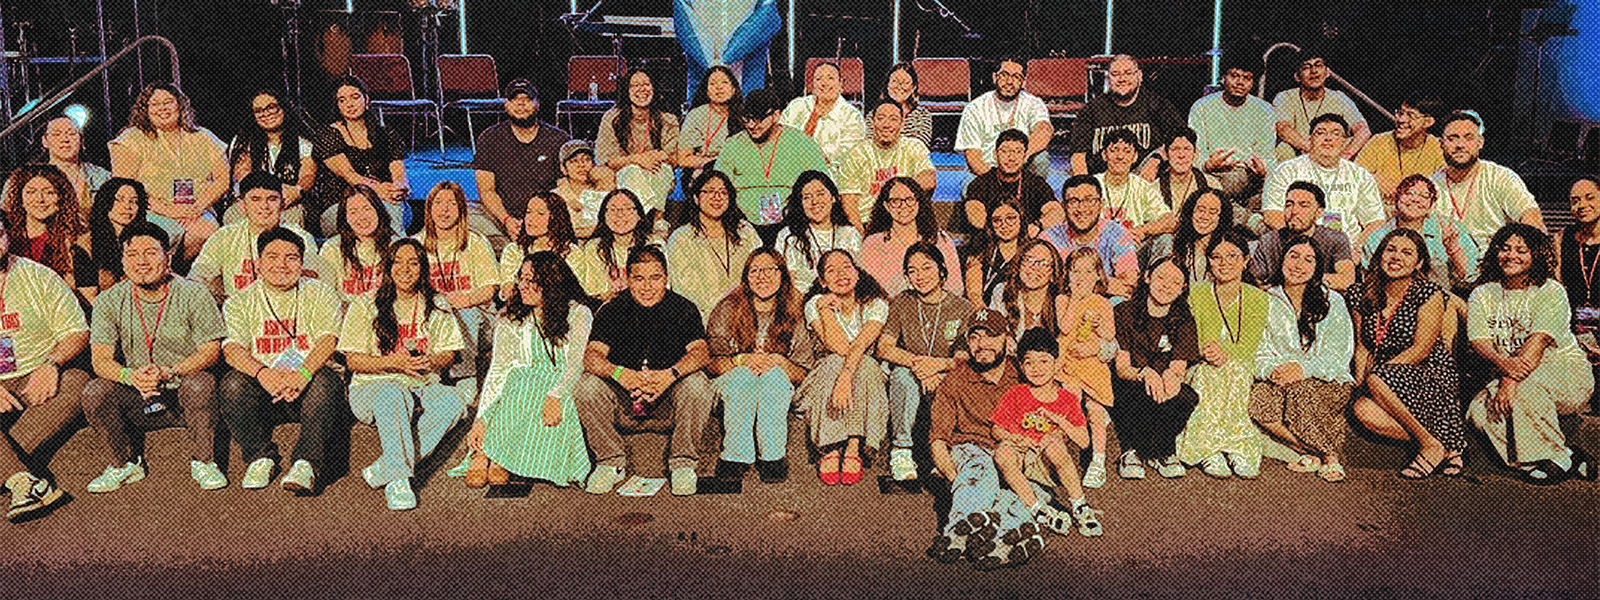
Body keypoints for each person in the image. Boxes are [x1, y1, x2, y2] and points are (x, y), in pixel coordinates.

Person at [81, 221, 226, 493]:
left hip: (182, 392)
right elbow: (100, 359)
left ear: (167, 257)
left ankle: (205, 461)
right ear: (122, 261)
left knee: (200, 383)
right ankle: (124, 464)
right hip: (138, 393)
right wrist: (129, 376)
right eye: (132, 254)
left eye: (150, 253)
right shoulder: (108, 300)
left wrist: (169, 371)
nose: (141, 261)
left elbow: (211, 350)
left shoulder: (194, 293)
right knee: (95, 391)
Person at [339, 238, 467, 510]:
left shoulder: (437, 304)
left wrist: (430, 360)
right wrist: (393, 363)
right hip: (373, 387)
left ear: (423, 267)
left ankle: (387, 465)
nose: (405, 269)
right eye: (397, 261)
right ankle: (398, 479)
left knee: (454, 401)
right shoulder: (365, 304)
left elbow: (450, 354)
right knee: (392, 392)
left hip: (421, 384)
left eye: (413, 262)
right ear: (387, 266)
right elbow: (353, 361)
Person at [577, 245, 714, 497]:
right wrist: (621, 374)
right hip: (624, 402)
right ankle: (610, 461)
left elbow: (701, 352)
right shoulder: (611, 310)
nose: (647, 286)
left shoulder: (684, 308)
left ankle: (683, 463)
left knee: (698, 384)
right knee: (588, 385)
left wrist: (669, 375)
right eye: (639, 278)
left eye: (655, 278)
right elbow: (592, 357)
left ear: (666, 278)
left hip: (667, 402)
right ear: (627, 278)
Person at [217, 227, 345, 494]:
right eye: (272, 257)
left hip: (308, 389)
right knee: (231, 384)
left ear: (301, 262)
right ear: (258, 263)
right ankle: (259, 457)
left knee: (326, 382)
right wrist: (264, 374)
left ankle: (306, 464)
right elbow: (232, 350)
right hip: (265, 392)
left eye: (291, 257)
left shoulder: (320, 292)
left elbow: (328, 340)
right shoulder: (240, 301)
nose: (282, 265)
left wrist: (303, 374)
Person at [1466, 224, 1597, 483]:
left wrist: (1509, 380)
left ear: (1535, 254)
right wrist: (1503, 365)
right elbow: (1480, 341)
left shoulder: (1550, 290)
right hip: (1514, 370)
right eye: (1504, 248)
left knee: (1525, 389)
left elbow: (1537, 344)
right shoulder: (1482, 293)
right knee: (1478, 411)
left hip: (1565, 373)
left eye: (1521, 250)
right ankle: (1563, 456)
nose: (1511, 255)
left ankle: (1555, 456)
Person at [924, 309, 1049, 570]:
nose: (982, 344)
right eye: (975, 337)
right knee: (980, 472)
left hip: (1014, 458)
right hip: (973, 451)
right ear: (967, 342)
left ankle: (999, 542)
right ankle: (960, 529)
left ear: (1006, 338)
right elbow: (938, 440)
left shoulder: (1025, 372)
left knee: (1027, 494)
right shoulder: (955, 381)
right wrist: (953, 478)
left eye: (991, 335)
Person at [468, 251, 598, 488]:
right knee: (519, 379)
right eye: (521, 278)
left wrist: (556, 395)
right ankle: (486, 452)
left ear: (551, 282)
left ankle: (501, 455)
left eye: (532, 280)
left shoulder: (578, 313)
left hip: (563, 383)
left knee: (528, 384)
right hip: (521, 385)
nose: (523, 286)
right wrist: (480, 419)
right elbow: (499, 370)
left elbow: (576, 363)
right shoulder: (511, 317)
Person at [1350, 229, 1464, 480]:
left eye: (1406, 252)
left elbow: (1421, 350)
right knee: (1362, 410)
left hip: (1427, 373)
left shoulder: (1428, 294)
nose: (1396, 257)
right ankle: (1445, 443)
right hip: (1383, 379)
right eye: (1390, 250)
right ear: (1380, 255)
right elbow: (1363, 347)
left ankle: (1429, 446)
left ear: (1419, 262)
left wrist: (1379, 377)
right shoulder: (1360, 294)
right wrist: (1361, 385)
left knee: (1378, 379)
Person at [0, 218, 91, 522]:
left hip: (34, 377)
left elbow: (77, 331)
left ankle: (10, 467)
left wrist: (51, 363)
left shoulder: (37, 275)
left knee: (78, 382)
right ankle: (23, 481)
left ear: (7, 237)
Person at [1250, 235, 1356, 483]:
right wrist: (1272, 371)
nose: (1298, 265)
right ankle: (1310, 449)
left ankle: (1330, 457)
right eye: (1293, 256)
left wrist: (1302, 369)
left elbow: (1338, 355)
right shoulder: (1267, 300)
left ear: (1317, 268)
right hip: (1282, 377)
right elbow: (1259, 351)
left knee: (1302, 391)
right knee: (1258, 399)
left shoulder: (1333, 301)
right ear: (1282, 260)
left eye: (1308, 260)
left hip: (1326, 380)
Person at [705, 249, 809, 483]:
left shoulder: (795, 311)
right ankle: (735, 455)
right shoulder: (727, 309)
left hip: (778, 388)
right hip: (732, 386)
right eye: (755, 271)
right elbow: (710, 363)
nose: (762, 276)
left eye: (770, 269)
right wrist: (740, 361)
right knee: (744, 376)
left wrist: (781, 363)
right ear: (746, 278)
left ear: (782, 274)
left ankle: (773, 456)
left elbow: (804, 371)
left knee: (772, 376)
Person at [990, 328, 1102, 538]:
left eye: (1043, 361)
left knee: (1054, 445)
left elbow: (1084, 441)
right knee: (1002, 452)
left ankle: (1079, 506)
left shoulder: (1067, 398)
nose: (1036, 368)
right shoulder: (1017, 393)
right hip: (1022, 455)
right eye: (1029, 362)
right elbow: (996, 429)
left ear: (1056, 363)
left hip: (1047, 462)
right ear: (1021, 367)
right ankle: (1038, 509)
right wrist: (1013, 438)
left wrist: (1058, 421)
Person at [877, 242, 975, 481]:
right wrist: (919, 366)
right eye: (912, 271)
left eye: (926, 268)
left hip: (945, 375)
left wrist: (937, 367)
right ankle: (901, 450)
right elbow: (884, 347)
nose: (920, 276)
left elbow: (963, 357)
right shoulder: (902, 302)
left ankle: (942, 453)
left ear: (942, 270)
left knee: (955, 381)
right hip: (912, 374)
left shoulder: (962, 308)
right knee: (901, 376)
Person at [1176, 230, 1270, 478]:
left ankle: (1238, 446)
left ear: (1246, 260)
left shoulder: (1257, 298)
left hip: (1239, 365)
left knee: (1232, 370)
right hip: (1201, 363)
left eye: (1232, 256)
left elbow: (1248, 345)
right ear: (1208, 261)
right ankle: (1209, 449)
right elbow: (1190, 335)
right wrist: (1208, 352)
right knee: (1209, 372)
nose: (1224, 263)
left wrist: (1224, 354)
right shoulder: (1198, 292)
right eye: (1216, 257)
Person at [797, 249, 889, 486]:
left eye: (847, 267)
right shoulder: (815, 304)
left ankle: (853, 445)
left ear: (857, 273)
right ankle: (830, 447)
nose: (840, 274)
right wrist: (825, 309)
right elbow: (836, 345)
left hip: (864, 378)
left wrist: (846, 376)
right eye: (831, 271)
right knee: (833, 362)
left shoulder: (875, 303)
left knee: (866, 363)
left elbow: (861, 344)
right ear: (822, 282)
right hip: (822, 379)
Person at [108, 82, 227, 260]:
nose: (162, 108)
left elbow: (222, 180)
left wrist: (197, 208)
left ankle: (181, 276)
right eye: (155, 104)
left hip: (197, 209)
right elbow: (125, 187)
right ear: (146, 109)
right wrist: (169, 211)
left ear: (179, 105)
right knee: (167, 233)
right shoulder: (131, 138)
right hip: (151, 210)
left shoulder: (202, 136)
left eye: (168, 102)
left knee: (207, 230)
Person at [1109, 256, 1200, 480]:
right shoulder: (1124, 312)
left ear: (1182, 289)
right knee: (1137, 395)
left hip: (1161, 383)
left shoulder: (1184, 319)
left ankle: (1163, 450)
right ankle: (1132, 451)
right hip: (1133, 381)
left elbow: (1178, 366)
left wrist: (1171, 375)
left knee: (1186, 397)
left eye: (1175, 282)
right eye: (1161, 277)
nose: (1166, 286)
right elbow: (1122, 368)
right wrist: (1145, 372)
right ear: (1148, 277)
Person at [416, 181, 503, 400]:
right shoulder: (416, 244)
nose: (444, 210)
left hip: (476, 318)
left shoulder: (476, 242)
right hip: (435, 318)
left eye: (451, 204)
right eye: (438, 203)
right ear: (429, 208)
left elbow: (490, 289)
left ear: (461, 209)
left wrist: (464, 300)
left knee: (465, 314)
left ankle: (466, 377)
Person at [190, 172, 331, 302]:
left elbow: (311, 285)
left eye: (272, 199)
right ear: (242, 205)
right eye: (255, 199)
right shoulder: (225, 236)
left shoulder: (301, 237)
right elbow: (199, 275)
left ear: (282, 203)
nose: (264, 206)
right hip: (238, 313)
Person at [472, 79, 573, 251]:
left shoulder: (558, 139)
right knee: (467, 214)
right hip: (502, 218)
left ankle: (535, 247)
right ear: (506, 105)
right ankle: (508, 250)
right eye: (514, 99)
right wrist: (507, 220)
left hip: (546, 219)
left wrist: (538, 222)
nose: (521, 104)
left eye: (527, 99)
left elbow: (567, 188)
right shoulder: (489, 138)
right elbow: (486, 190)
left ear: (537, 104)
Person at [1261, 113, 1384, 250]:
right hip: (1299, 245)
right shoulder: (1286, 170)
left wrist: (1356, 249)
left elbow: (1375, 221)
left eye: (1336, 134)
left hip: (1347, 248)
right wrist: (1302, 243)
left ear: (1345, 142)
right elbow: (1272, 214)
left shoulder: (1360, 175)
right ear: (1310, 139)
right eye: (1320, 133)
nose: (1328, 138)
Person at [719, 88, 829, 240]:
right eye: (747, 119)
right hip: (742, 222)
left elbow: (822, 182)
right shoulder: (733, 144)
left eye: (759, 119)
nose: (752, 125)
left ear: (776, 115)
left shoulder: (801, 142)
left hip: (793, 220)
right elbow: (720, 184)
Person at [1430, 110, 1545, 250]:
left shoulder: (1500, 177)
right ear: (1441, 144)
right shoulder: (1432, 185)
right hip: (1445, 262)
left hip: (1495, 261)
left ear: (1480, 143)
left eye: (1468, 138)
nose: (1460, 145)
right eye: (1453, 138)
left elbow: (1530, 215)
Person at [313, 76, 410, 237]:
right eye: (342, 100)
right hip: (341, 205)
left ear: (366, 99)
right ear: (337, 106)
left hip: (385, 200)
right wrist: (378, 190)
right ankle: (397, 249)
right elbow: (350, 176)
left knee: (392, 207)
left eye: (355, 97)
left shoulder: (387, 134)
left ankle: (398, 254)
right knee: (382, 212)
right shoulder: (328, 135)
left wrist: (400, 187)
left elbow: (399, 173)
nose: (349, 104)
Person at [1054, 247, 1116, 487]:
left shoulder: (1103, 303)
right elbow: (1066, 328)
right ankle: (1060, 457)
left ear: (1098, 276)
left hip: (1092, 364)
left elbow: (1110, 336)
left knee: (1095, 408)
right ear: (1067, 275)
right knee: (1070, 397)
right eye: (1075, 271)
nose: (1081, 277)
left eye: (1088, 271)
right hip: (1068, 362)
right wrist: (1075, 300)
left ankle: (1098, 460)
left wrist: (1100, 327)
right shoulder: (1062, 300)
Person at [1070, 55, 1184, 177]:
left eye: (1128, 73)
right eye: (1115, 74)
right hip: (1103, 181)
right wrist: (1085, 186)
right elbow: (1078, 155)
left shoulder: (1158, 105)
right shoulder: (1091, 110)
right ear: (1108, 79)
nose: (1122, 79)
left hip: (1147, 182)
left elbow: (1182, 140)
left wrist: (1156, 159)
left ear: (1140, 76)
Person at [666, 170, 759, 317]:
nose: (717, 197)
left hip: (748, 313)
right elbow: (684, 291)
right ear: (696, 198)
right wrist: (723, 306)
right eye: (709, 191)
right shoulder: (681, 238)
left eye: (723, 192)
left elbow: (760, 267)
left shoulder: (745, 231)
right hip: (704, 316)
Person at [1363, 175, 1479, 292]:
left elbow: (1471, 277)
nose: (1415, 199)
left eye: (1424, 196)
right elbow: (1370, 280)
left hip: (1442, 298)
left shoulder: (1450, 229)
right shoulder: (1378, 237)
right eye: (1408, 193)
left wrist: (1454, 250)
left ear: (1431, 205)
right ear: (1396, 199)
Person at [838, 100, 937, 230]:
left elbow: (929, 179)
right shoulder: (856, 153)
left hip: (904, 220)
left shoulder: (913, 146)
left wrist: (897, 191)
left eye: (893, 119)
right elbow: (849, 202)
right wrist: (863, 234)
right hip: (868, 222)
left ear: (902, 124)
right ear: (872, 122)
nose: (887, 125)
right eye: (881, 118)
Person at [1188, 57, 1275, 205]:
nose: (1240, 82)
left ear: (1253, 82)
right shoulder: (1202, 107)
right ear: (1223, 78)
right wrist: (1209, 165)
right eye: (1234, 76)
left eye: (1247, 78)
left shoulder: (1265, 110)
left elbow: (1268, 156)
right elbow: (1194, 155)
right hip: (1213, 177)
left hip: (1250, 179)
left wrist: (1262, 170)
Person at [597, 68, 680, 219]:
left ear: (654, 88)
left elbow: (673, 159)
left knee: (663, 171)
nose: (642, 89)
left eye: (646, 84)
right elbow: (607, 160)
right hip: (624, 173)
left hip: (657, 171)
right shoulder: (612, 118)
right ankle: (647, 220)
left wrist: (654, 159)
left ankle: (652, 220)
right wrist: (638, 160)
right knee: (632, 172)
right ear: (626, 91)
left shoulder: (668, 120)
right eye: (635, 85)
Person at [227, 89, 316, 229]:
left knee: (291, 219)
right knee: (234, 216)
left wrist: (296, 190)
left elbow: (308, 174)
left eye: (271, 107)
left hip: (289, 202)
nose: (266, 113)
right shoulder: (243, 141)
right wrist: (258, 198)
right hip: (253, 198)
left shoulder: (302, 141)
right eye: (259, 110)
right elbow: (243, 174)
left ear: (283, 108)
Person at [1039, 175, 1140, 298]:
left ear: (1101, 204)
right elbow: (1038, 281)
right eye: (1073, 201)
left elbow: (1128, 285)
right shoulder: (1049, 239)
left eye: (1089, 200)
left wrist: (1074, 283)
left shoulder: (1117, 233)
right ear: (1063, 206)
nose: (1081, 208)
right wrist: (1102, 284)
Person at [858, 178, 961, 297]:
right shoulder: (873, 243)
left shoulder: (940, 240)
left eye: (909, 199)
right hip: (891, 310)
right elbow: (869, 291)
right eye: (896, 201)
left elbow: (955, 286)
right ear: (886, 206)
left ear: (918, 202)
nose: (903, 206)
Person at [1250, 181, 1357, 291]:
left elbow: (1347, 279)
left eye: (1303, 205)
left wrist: (1301, 278)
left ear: (1318, 212)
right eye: (1289, 205)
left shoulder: (1335, 239)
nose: (1294, 211)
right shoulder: (1269, 241)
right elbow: (1255, 283)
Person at [956, 58, 1053, 178]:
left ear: (1023, 82)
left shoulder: (1033, 103)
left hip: (1021, 170)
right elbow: (973, 156)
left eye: (1016, 77)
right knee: (969, 190)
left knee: (1041, 159)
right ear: (994, 77)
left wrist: (1022, 156)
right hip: (986, 172)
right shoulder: (975, 107)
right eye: (1004, 75)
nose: (1009, 81)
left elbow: (1044, 131)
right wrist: (996, 183)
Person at [955, 129, 1062, 237]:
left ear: (1025, 156)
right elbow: (974, 213)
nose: (1011, 158)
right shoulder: (981, 182)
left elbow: (1056, 211)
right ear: (996, 154)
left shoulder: (1036, 183)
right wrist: (1002, 229)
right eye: (1005, 151)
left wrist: (1037, 225)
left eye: (1018, 151)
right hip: (991, 242)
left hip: (1026, 242)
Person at [2, 165, 90, 295]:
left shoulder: (77, 239)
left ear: (61, 197)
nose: (40, 199)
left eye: (49, 192)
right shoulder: (6, 237)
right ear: (20, 198)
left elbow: (87, 293)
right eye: (31, 192)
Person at [1272, 49, 1371, 162]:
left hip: (1335, 153)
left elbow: (1363, 129)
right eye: (1306, 67)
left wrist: (1346, 154)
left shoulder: (1339, 97)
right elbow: (1283, 129)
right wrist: (1314, 150)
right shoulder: (1285, 97)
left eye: (1318, 65)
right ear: (1297, 76)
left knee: (1364, 145)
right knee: (1284, 149)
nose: (1313, 71)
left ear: (1327, 72)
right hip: (1302, 154)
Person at [0, 116, 111, 216]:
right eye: (56, 134)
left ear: (81, 140)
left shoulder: (101, 177)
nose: (65, 140)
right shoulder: (24, 178)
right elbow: (5, 215)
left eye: (71, 134)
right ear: (45, 141)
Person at [773, 171, 862, 292]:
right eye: (807, 197)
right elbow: (780, 279)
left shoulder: (850, 234)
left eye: (820, 194)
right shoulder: (788, 236)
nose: (815, 202)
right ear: (800, 204)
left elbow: (860, 276)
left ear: (833, 198)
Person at [1555, 176, 1600, 413]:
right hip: (1575, 333)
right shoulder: (1562, 239)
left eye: (1589, 197)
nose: (1582, 205)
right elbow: (1556, 292)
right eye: (1575, 201)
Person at [1355, 94, 1444, 210]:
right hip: (1380, 215)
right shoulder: (1379, 141)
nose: (1401, 120)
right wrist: (1373, 179)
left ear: (1428, 122)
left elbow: (1443, 190)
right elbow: (1354, 176)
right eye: (1401, 113)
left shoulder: (1438, 148)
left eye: (1410, 115)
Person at [569, 189, 658, 300]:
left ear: (639, 215)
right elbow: (595, 291)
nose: (620, 214)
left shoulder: (654, 244)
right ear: (604, 216)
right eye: (613, 209)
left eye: (627, 208)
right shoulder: (595, 247)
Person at [320, 185, 399, 303]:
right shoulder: (331, 248)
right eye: (353, 212)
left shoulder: (397, 246)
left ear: (378, 211)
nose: (362, 217)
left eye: (367, 209)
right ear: (345, 218)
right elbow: (325, 297)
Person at [781, 61, 868, 169]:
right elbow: (781, 142)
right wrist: (813, 118)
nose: (824, 83)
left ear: (841, 83)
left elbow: (848, 158)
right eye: (818, 79)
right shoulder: (796, 106)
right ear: (812, 84)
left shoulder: (852, 116)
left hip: (833, 176)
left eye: (830, 78)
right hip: (791, 169)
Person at [1142, 188, 1235, 286]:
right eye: (1201, 210)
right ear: (1191, 212)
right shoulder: (1168, 243)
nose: (1205, 217)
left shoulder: (1226, 252)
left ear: (1221, 217)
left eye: (1212, 212)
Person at [497, 191, 579, 301]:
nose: (530, 219)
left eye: (540, 213)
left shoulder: (570, 251)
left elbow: (577, 291)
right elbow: (507, 289)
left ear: (555, 218)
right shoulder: (514, 250)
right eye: (528, 212)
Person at [84, 178, 152, 301]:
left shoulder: (149, 239)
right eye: (119, 200)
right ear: (106, 202)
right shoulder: (86, 245)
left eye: (134, 201)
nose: (127, 207)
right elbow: (91, 299)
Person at [1095, 128, 1171, 238]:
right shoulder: (1092, 185)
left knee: (1166, 239)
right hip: (1098, 248)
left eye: (1127, 151)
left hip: (1135, 246)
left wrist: (1141, 230)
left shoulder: (1141, 187)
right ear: (1104, 155)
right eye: (1114, 150)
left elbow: (1169, 220)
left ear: (1135, 156)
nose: (1120, 156)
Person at [676, 66, 744, 184]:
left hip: (739, 170)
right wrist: (715, 162)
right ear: (706, 91)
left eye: (724, 82)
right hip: (704, 171)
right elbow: (683, 159)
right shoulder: (696, 115)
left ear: (733, 89)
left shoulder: (744, 115)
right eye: (713, 84)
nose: (719, 88)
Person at [993, 239, 1063, 340]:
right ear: (1019, 265)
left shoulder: (1061, 300)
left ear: (1053, 272)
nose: (1035, 268)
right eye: (1029, 260)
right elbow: (993, 337)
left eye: (1044, 263)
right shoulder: (1002, 292)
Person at [963, 200, 1024, 308]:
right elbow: (974, 293)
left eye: (1010, 218)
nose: (1004, 225)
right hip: (986, 313)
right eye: (997, 220)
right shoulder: (980, 251)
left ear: (1021, 219)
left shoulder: (1029, 252)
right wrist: (988, 316)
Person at [1152, 128, 1218, 227]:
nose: (1181, 155)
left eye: (1187, 149)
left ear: (1195, 153)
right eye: (1175, 149)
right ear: (1166, 154)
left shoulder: (1211, 184)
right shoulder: (1154, 190)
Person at [553, 140, 613, 239]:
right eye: (574, 161)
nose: (581, 165)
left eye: (587, 160)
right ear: (563, 168)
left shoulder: (604, 192)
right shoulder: (556, 197)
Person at [883, 62, 933, 148]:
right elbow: (869, 143)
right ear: (887, 86)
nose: (899, 86)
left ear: (913, 87)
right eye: (895, 81)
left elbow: (919, 145)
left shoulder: (922, 115)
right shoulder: (875, 114)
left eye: (905, 82)